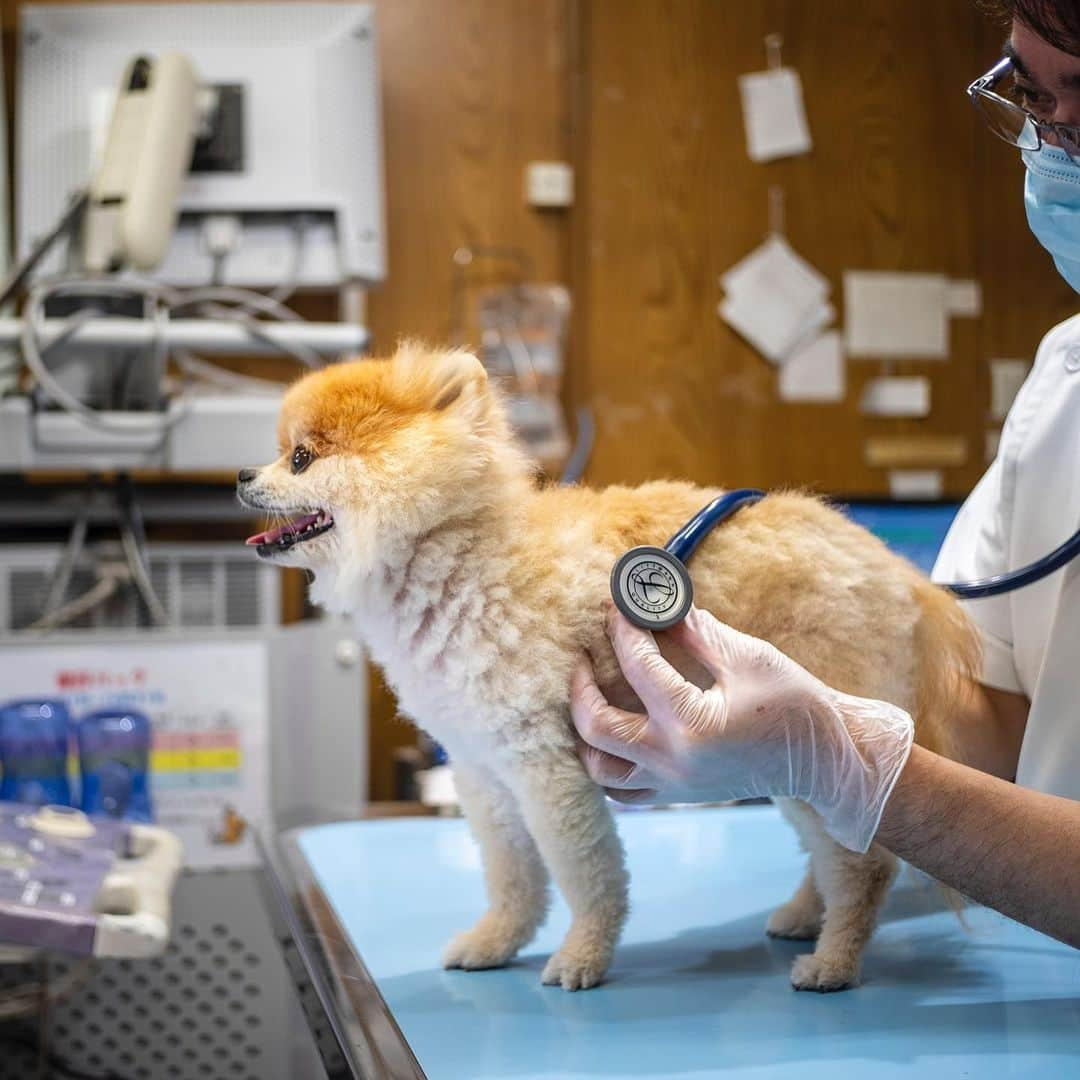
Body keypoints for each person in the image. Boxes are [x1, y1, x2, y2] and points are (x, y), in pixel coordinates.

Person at [571, 0, 1080, 950]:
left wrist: (855, 769)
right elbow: (998, 727)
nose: (1050, 150)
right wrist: (784, 666)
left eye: (1079, 102)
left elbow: (903, 765)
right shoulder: (1065, 378)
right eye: (1031, 96)